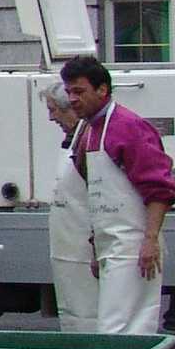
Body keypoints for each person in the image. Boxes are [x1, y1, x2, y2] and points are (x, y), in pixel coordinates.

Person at [63, 55, 175, 335]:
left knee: (119, 330)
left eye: (79, 91)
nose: (72, 99)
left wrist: (149, 241)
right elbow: (98, 196)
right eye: (68, 92)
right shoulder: (89, 131)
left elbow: (160, 189)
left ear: (102, 90)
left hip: (133, 247)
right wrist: (95, 247)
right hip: (110, 245)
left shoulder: (128, 127)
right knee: (118, 328)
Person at [42, 82, 98, 332]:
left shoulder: (89, 140)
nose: (51, 117)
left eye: (54, 109)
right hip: (68, 253)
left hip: (85, 252)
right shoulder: (72, 141)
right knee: (75, 316)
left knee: (92, 316)